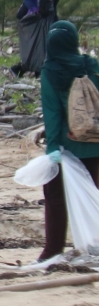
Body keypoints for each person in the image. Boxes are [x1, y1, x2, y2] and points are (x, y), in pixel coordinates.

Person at [38, 20, 99, 260]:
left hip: (67, 145)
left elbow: (52, 113)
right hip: (95, 141)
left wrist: (52, 147)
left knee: (54, 196)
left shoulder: (50, 71)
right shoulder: (91, 66)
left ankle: (52, 250)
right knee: (93, 193)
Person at [17, 0, 63, 76]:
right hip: (38, 19)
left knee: (52, 42)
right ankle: (27, 68)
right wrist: (36, 10)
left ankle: (48, 67)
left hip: (50, 18)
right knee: (38, 45)